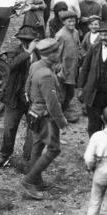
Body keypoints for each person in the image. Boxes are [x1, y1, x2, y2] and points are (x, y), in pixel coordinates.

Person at [22, 38, 68, 200]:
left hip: (34, 113)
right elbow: (53, 103)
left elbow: (27, 88)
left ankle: (36, 180)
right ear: (50, 55)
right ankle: (29, 180)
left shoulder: (35, 65)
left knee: (37, 145)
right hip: (45, 117)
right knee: (54, 148)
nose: (58, 54)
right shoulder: (47, 75)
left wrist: (33, 103)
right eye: (56, 52)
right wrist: (62, 123)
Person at [0, 25, 40, 168]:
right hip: (15, 98)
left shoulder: (40, 53)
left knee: (33, 128)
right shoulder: (14, 51)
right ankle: (4, 154)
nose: (26, 42)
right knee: (9, 128)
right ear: (20, 40)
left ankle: (28, 157)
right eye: (23, 39)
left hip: (32, 99)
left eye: (30, 40)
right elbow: (10, 66)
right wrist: (27, 52)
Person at [55, 10, 81, 124]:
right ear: (64, 22)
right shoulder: (60, 35)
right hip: (63, 69)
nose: (72, 23)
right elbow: (56, 54)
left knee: (70, 92)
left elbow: (77, 46)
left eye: (74, 21)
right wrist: (58, 69)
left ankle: (64, 111)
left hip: (72, 67)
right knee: (61, 93)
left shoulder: (75, 32)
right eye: (69, 21)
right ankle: (58, 116)